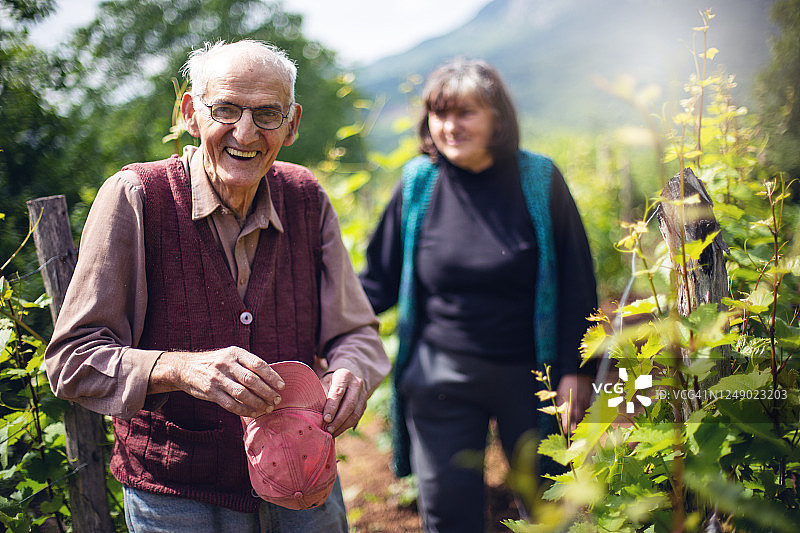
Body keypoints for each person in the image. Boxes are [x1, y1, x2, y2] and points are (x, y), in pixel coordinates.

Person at [45, 39, 390, 532]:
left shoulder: (305, 197)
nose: (245, 133)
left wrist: (351, 371)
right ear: (191, 112)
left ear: (291, 124)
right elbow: (73, 359)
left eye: (267, 114)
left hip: (304, 479)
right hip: (177, 493)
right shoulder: (137, 197)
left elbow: (354, 332)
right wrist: (180, 369)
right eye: (226, 108)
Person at [359, 58, 598, 533]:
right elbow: (376, 281)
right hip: (441, 377)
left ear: (497, 118)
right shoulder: (418, 184)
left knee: (550, 508)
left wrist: (577, 369)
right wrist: (317, 327)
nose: (450, 126)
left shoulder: (538, 180)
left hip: (533, 378)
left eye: (465, 113)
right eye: (440, 114)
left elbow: (577, 281)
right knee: (448, 514)